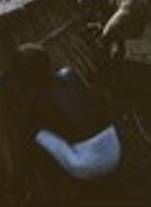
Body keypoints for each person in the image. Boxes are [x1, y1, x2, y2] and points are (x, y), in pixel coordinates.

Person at [11, 43, 121, 184]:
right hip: (114, 150)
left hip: (90, 166)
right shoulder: (70, 73)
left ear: (26, 77)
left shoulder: (41, 101)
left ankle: (54, 181)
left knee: (35, 134)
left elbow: (29, 132)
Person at [75, 0, 150, 61]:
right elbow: (108, 14)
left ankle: (102, 60)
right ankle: (119, 53)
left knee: (106, 34)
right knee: (117, 29)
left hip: (129, 3)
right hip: (143, 2)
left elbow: (90, 11)